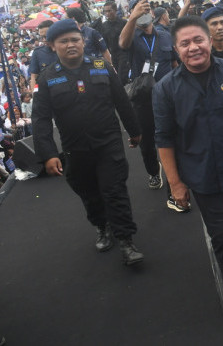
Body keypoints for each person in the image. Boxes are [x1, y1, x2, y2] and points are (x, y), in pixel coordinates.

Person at [153, 16, 223, 326]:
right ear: (176, 49)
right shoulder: (165, 90)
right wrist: (175, 184)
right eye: (185, 44)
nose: (193, 48)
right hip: (203, 176)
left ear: (209, 40)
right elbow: (163, 140)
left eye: (197, 40)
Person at [31, 19, 144, 265]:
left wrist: (135, 132)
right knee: (89, 193)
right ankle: (102, 226)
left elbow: (122, 103)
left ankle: (126, 240)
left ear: (83, 41)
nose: (71, 45)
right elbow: (40, 119)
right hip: (75, 149)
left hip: (108, 143)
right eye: (64, 41)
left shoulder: (103, 67)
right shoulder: (47, 79)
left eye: (75, 39)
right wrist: (48, 154)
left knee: (115, 191)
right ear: (52, 46)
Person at [119, 0, 177, 194]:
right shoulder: (132, 36)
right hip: (143, 99)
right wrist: (132, 17)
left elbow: (175, 63)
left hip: (168, 97)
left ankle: (175, 177)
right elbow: (122, 43)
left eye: (145, 10)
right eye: (138, 10)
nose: (142, 14)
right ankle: (153, 171)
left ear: (152, 14)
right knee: (146, 142)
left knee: (174, 136)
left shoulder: (165, 35)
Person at [92, 1, 129, 84]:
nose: (107, 13)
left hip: (123, 54)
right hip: (112, 56)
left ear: (115, 10)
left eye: (109, 11)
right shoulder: (104, 25)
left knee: (122, 77)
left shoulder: (124, 23)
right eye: (105, 11)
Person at [28, 20, 58, 89]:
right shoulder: (38, 52)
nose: (44, 40)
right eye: (42, 37)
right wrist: (35, 96)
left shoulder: (65, 49)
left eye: (46, 36)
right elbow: (34, 77)